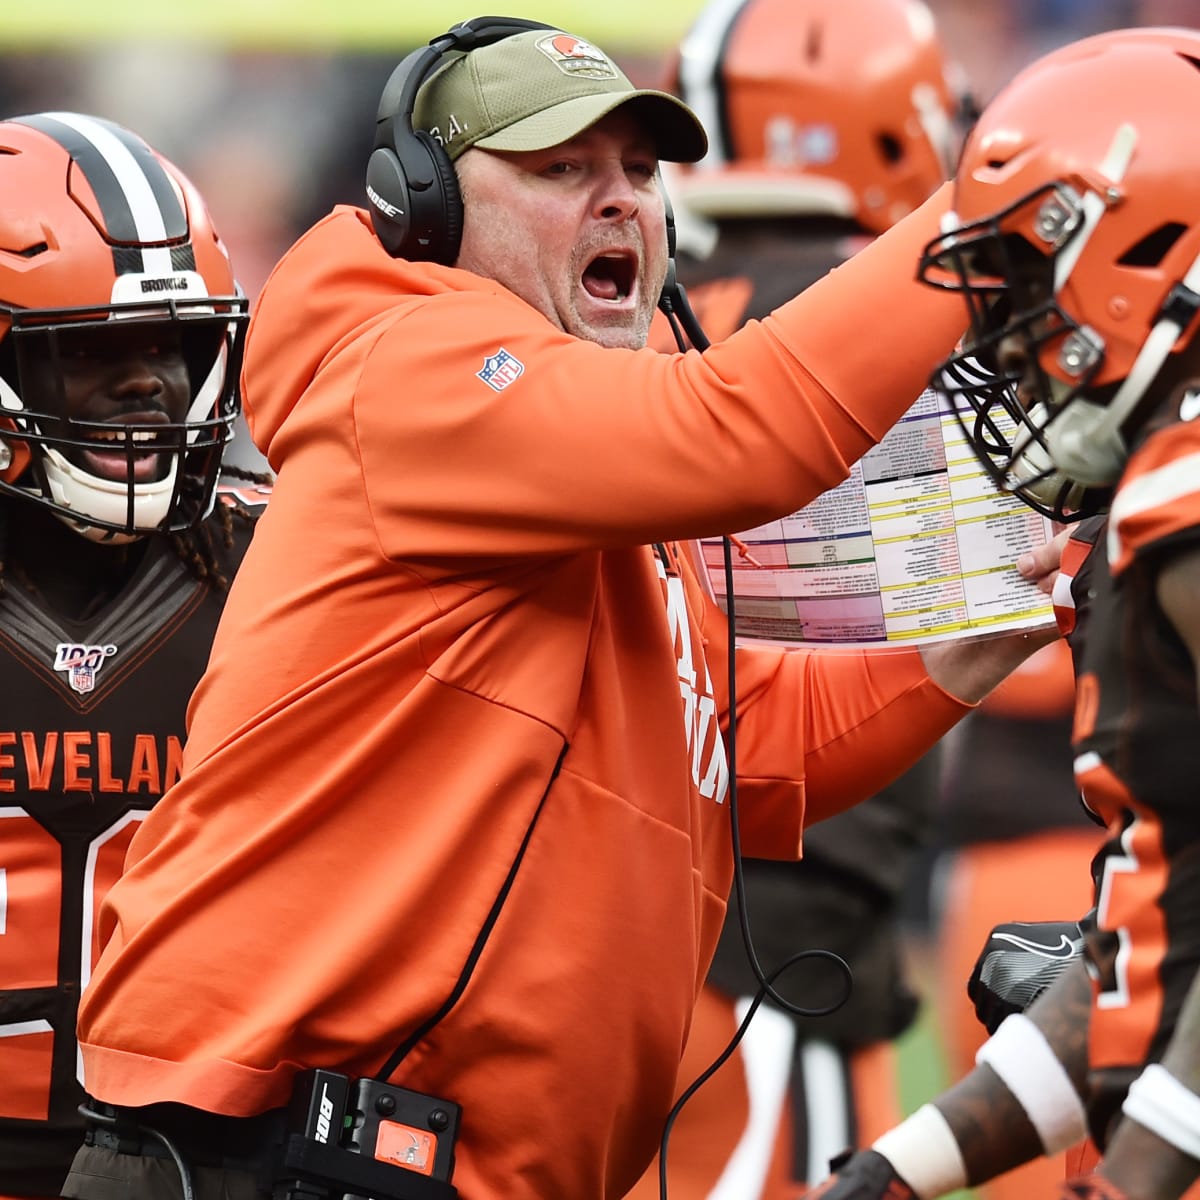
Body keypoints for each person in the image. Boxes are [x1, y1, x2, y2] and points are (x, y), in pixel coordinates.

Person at [60, 17, 1063, 1200]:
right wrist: (989, 215)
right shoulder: (413, 361)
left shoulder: (597, 451)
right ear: (428, 211)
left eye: (639, 171)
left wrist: (981, 640)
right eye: (558, 168)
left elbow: (744, 744)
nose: (621, 201)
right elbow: (747, 430)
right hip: (269, 1144)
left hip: (422, 1159)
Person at [798, 24, 1200, 1200]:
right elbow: (1144, 974)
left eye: (1024, 279)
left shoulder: (1185, 499)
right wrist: (898, 1171)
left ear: (1146, 252)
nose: (1000, 337)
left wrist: (1135, 1176)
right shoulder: (1155, 489)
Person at [624, 2, 968, 1196]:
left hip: (616, 897)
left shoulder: (625, 317)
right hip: (790, 933)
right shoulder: (913, 322)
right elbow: (979, 609)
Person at [0, 111, 263, 1199]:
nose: (149, 381)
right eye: (93, 348)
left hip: (202, 1166)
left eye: (173, 343)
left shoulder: (285, 570)